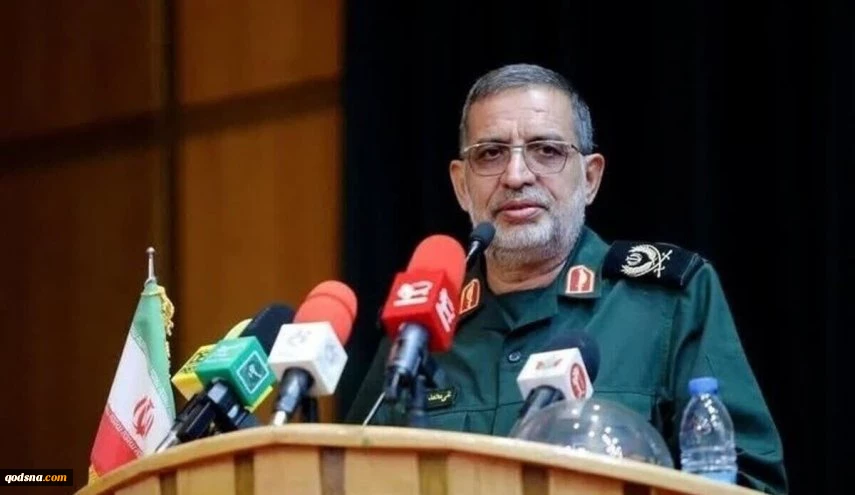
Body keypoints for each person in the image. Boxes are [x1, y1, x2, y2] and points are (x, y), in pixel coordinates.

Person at [345, 63, 786, 493]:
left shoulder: (668, 303)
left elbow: (748, 483)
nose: (516, 176)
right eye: (491, 154)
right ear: (462, 186)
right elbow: (348, 477)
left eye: (547, 151)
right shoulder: (421, 328)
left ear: (590, 178)